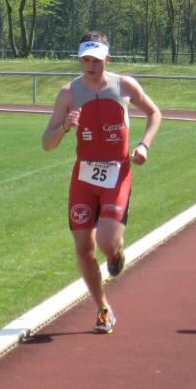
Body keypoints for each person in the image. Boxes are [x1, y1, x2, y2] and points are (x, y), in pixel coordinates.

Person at [42, 31, 161, 334]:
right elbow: (47, 143)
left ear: (108, 59)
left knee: (108, 244)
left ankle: (116, 254)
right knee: (84, 249)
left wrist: (144, 145)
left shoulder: (124, 86)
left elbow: (154, 113)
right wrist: (64, 128)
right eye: (85, 60)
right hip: (84, 177)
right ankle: (103, 309)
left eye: (96, 60)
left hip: (117, 174)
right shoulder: (68, 94)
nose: (91, 66)